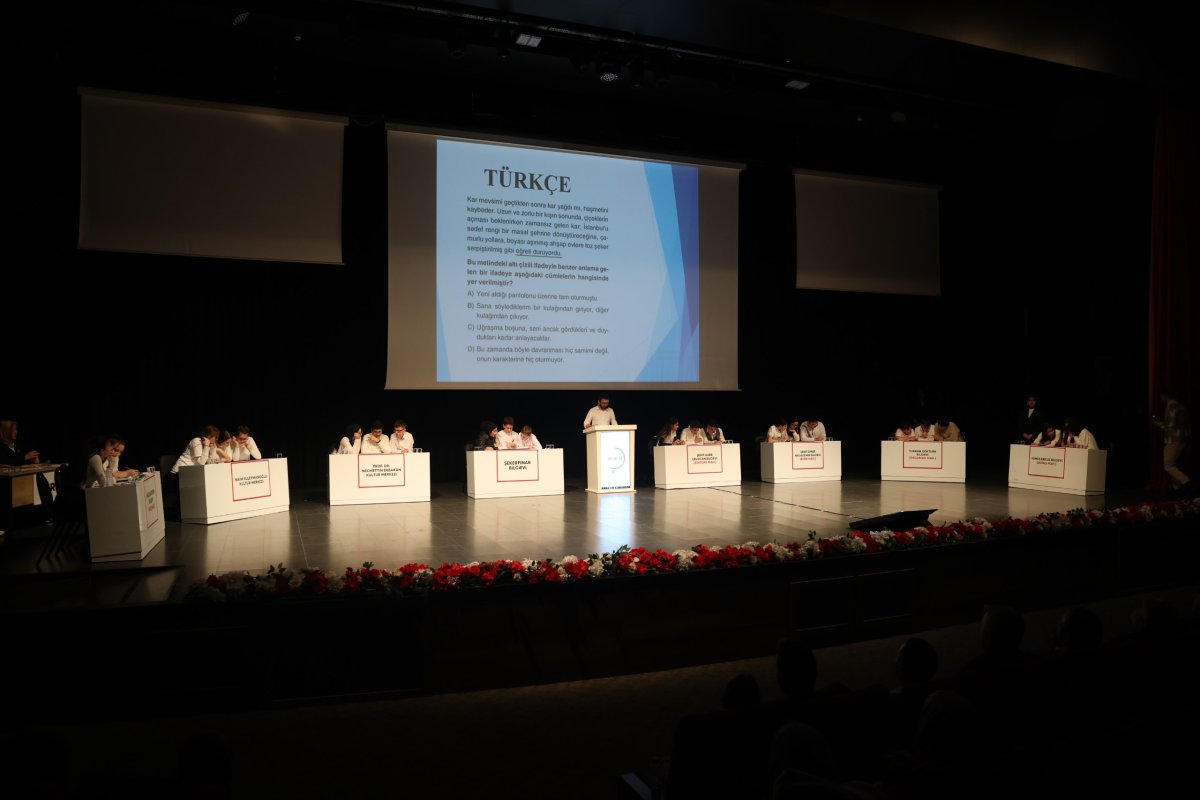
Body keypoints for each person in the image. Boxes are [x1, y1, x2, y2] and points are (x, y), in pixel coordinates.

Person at [1153, 389, 1191, 492]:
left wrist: (1158, 424)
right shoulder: (1180, 406)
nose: (1161, 399)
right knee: (1175, 465)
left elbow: (1170, 425)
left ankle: (1187, 483)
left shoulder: (1172, 406)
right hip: (1182, 439)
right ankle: (1179, 488)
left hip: (1174, 439)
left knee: (1168, 465)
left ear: (1165, 396)